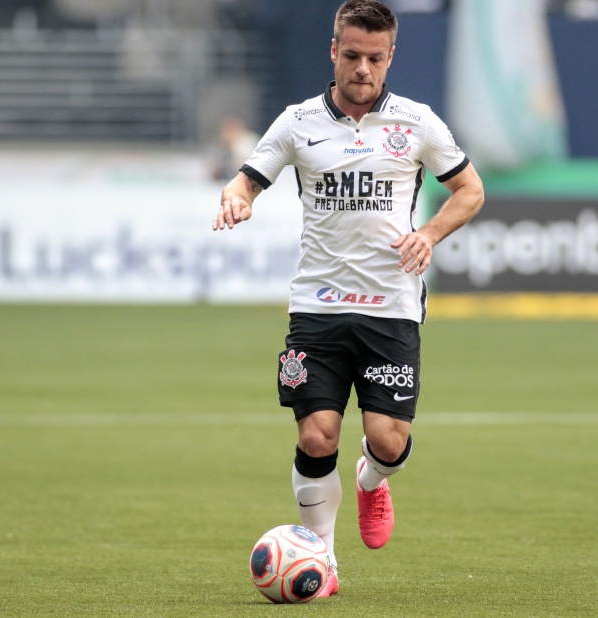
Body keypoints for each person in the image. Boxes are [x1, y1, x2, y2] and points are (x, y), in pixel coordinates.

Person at [212, 0, 484, 598]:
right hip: (316, 307)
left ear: (390, 60)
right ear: (334, 51)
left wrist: (429, 233)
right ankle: (324, 563)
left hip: (390, 307)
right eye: (353, 55)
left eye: (375, 58)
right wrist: (239, 198)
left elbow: (470, 190)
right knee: (316, 437)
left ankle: (371, 481)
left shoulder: (417, 123)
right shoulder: (297, 120)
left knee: (388, 441)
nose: (363, 68)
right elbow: (247, 176)